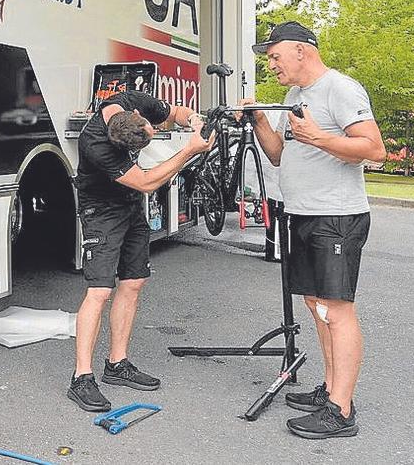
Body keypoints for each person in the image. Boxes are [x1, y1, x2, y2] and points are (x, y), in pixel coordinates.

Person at [244, 21, 386, 439]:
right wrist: (259, 122)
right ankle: (329, 388)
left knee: (337, 311)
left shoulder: (340, 89)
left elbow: (374, 150)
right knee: (316, 305)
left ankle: (341, 411)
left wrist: (321, 138)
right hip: (302, 214)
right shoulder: (295, 96)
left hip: (336, 217)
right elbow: (279, 155)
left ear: (301, 50)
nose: (271, 64)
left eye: (274, 56)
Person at [68, 89, 215, 412]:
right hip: (100, 210)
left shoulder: (133, 101)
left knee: (133, 283)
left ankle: (117, 364)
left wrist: (193, 120)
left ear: (140, 117)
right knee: (100, 290)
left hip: (130, 206)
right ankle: (81, 377)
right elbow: (147, 182)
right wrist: (190, 149)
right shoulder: (95, 143)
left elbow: (175, 111)